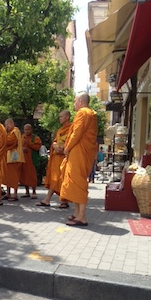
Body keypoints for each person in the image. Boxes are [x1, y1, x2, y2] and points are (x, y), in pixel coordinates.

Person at [60, 92, 98, 226]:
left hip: (78, 150)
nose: (74, 103)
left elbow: (77, 132)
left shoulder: (83, 113)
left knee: (78, 181)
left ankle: (82, 216)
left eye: (75, 101)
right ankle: (77, 212)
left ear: (81, 102)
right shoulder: (90, 113)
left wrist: (67, 147)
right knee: (74, 180)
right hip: (81, 151)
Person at [36, 110, 71, 208]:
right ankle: (49, 199)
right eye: (59, 116)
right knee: (55, 178)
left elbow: (72, 140)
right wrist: (54, 145)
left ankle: (63, 200)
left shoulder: (71, 129)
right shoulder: (60, 130)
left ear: (67, 117)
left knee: (63, 179)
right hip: (56, 157)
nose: (60, 118)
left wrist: (64, 147)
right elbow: (55, 141)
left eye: (61, 116)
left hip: (64, 157)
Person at [1, 118, 24, 201]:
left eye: (8, 124)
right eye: (5, 125)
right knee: (7, 176)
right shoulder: (9, 132)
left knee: (14, 176)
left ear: (12, 124)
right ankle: (8, 193)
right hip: (8, 157)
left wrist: (2, 136)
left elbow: (10, 142)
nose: (6, 126)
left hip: (14, 158)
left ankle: (15, 194)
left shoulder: (15, 131)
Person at [19, 124, 42, 199]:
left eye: (28, 129)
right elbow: (19, 146)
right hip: (23, 160)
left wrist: (29, 144)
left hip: (31, 159)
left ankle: (34, 192)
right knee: (24, 175)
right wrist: (22, 149)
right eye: (25, 129)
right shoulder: (22, 137)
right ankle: (27, 192)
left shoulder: (35, 137)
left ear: (31, 130)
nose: (26, 131)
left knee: (32, 176)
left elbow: (37, 147)